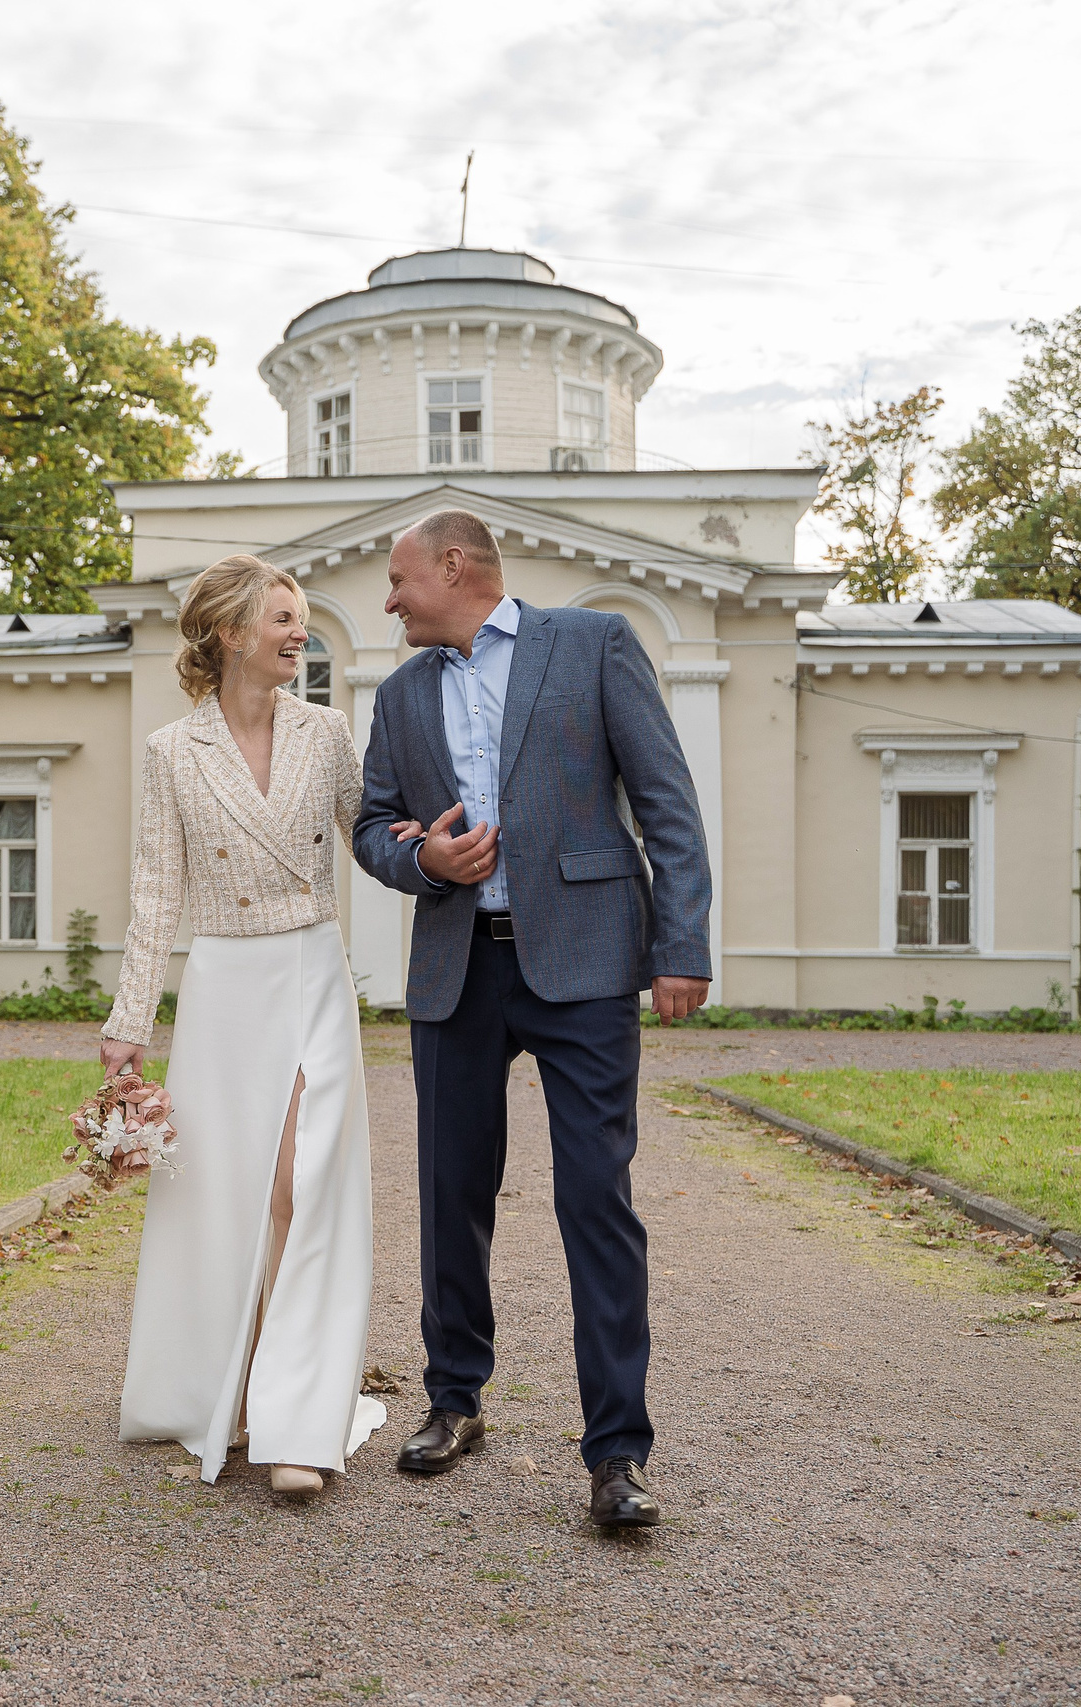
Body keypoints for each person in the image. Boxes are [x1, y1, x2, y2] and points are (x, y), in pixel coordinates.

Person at [352, 508, 712, 1530]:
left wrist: (679, 945)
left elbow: (665, 801)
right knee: (449, 1194)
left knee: (596, 1199)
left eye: (399, 579)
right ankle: (454, 1402)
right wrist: (423, 860)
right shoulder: (400, 694)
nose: (388, 599)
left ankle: (616, 1454)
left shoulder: (592, 644)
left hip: (588, 961)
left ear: (454, 567)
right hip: (456, 969)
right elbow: (373, 825)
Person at [103, 553, 390, 1502]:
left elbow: (374, 836)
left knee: (302, 1186)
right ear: (229, 632)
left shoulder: (330, 731)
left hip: (312, 970)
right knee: (235, 1197)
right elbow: (155, 891)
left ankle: (298, 1415)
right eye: (281, 617)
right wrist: (128, 1023)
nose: (298, 632)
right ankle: (231, 1381)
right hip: (225, 984)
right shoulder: (170, 753)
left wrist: (435, 852)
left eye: (299, 617)